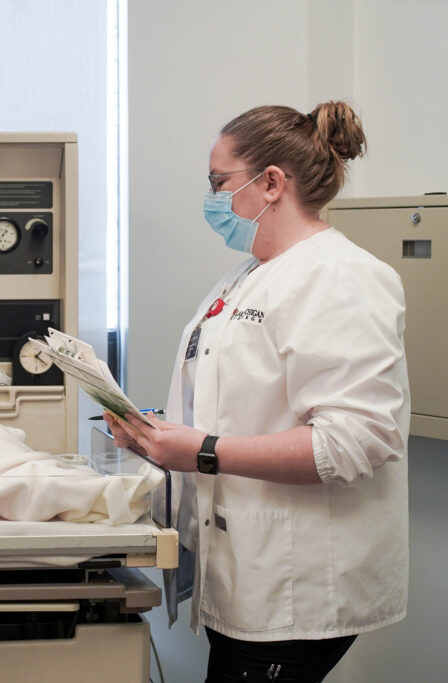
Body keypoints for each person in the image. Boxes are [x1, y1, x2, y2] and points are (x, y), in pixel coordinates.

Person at [106, 101, 409, 682]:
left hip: (296, 586)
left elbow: (356, 440)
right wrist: (155, 433)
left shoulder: (342, 276)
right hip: (244, 567)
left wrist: (201, 450)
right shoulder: (247, 276)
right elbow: (231, 406)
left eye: (219, 182)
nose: (213, 198)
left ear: (272, 182)